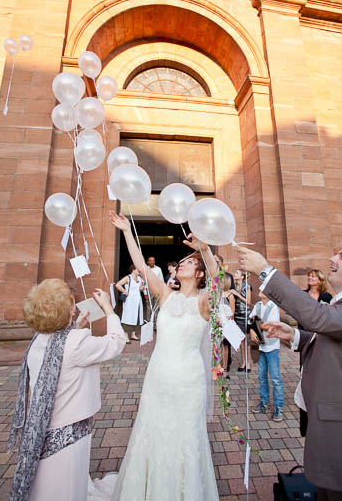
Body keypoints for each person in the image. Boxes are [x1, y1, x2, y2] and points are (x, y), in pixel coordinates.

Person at [238, 244, 342, 501]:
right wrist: (295, 335)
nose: (332, 258)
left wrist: (265, 272)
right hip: (338, 425)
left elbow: (319, 318)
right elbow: (338, 339)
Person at [104, 211, 219, 501]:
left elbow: (218, 279)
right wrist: (127, 231)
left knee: (186, 435)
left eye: (189, 263)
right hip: (158, 376)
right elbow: (142, 266)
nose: (182, 264)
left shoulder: (204, 303)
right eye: (182, 262)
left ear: (199, 273)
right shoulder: (166, 296)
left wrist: (204, 250)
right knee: (152, 430)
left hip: (189, 380)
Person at [8, 279, 127, 501]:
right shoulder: (77, 343)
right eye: (71, 303)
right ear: (67, 309)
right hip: (70, 433)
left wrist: (77, 324)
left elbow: (61, 347)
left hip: (39, 431)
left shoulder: (36, 340)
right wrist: (109, 309)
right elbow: (117, 342)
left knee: (45, 485)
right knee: (68, 488)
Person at [250, 291, 284, 421]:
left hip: (271, 345)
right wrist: (253, 329)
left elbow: (270, 326)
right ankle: (264, 402)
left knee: (275, 377)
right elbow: (251, 320)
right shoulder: (258, 305)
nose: (260, 290)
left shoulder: (273, 306)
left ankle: (278, 406)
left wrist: (256, 324)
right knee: (261, 376)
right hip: (260, 345)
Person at [116, 264, 145, 342]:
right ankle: (125, 335)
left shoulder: (139, 278)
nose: (139, 272)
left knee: (137, 316)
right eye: (137, 270)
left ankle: (133, 334)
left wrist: (143, 287)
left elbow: (141, 288)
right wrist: (124, 291)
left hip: (138, 300)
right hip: (130, 300)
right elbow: (118, 285)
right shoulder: (128, 278)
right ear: (133, 269)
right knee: (128, 316)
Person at [231, 268, 252, 372]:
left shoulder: (246, 286)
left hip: (245, 315)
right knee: (241, 340)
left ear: (242, 276)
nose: (235, 274)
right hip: (237, 315)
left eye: (237, 273)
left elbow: (248, 301)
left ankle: (248, 362)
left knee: (247, 340)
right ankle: (243, 361)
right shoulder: (234, 286)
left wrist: (237, 294)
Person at [219, 273, 235, 378]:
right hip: (217, 323)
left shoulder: (230, 295)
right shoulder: (218, 294)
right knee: (218, 346)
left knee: (225, 347)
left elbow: (232, 311)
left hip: (226, 324)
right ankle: (218, 367)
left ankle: (225, 369)